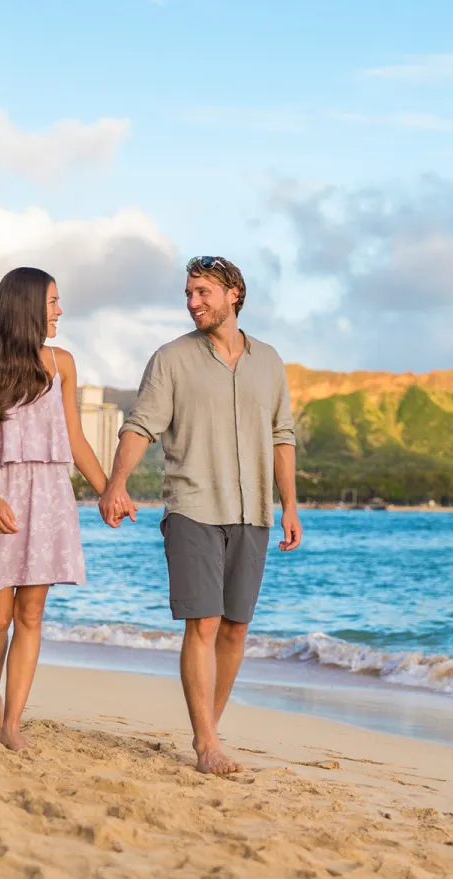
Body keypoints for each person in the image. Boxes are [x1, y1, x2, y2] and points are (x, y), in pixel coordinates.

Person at [99, 256, 302, 775]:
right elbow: (140, 426)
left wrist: (290, 507)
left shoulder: (270, 361)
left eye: (203, 292)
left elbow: (282, 436)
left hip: (252, 509)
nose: (193, 302)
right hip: (192, 506)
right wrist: (116, 484)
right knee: (204, 622)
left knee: (236, 627)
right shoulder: (171, 359)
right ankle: (206, 743)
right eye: (188, 293)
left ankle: (206, 728)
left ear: (234, 293)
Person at [0, 266, 108, 751]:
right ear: (27, 306)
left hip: (48, 496)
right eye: (52, 302)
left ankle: (13, 723)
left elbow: (75, 439)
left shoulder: (61, 362)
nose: (60, 311)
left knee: (30, 614)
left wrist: (110, 489)